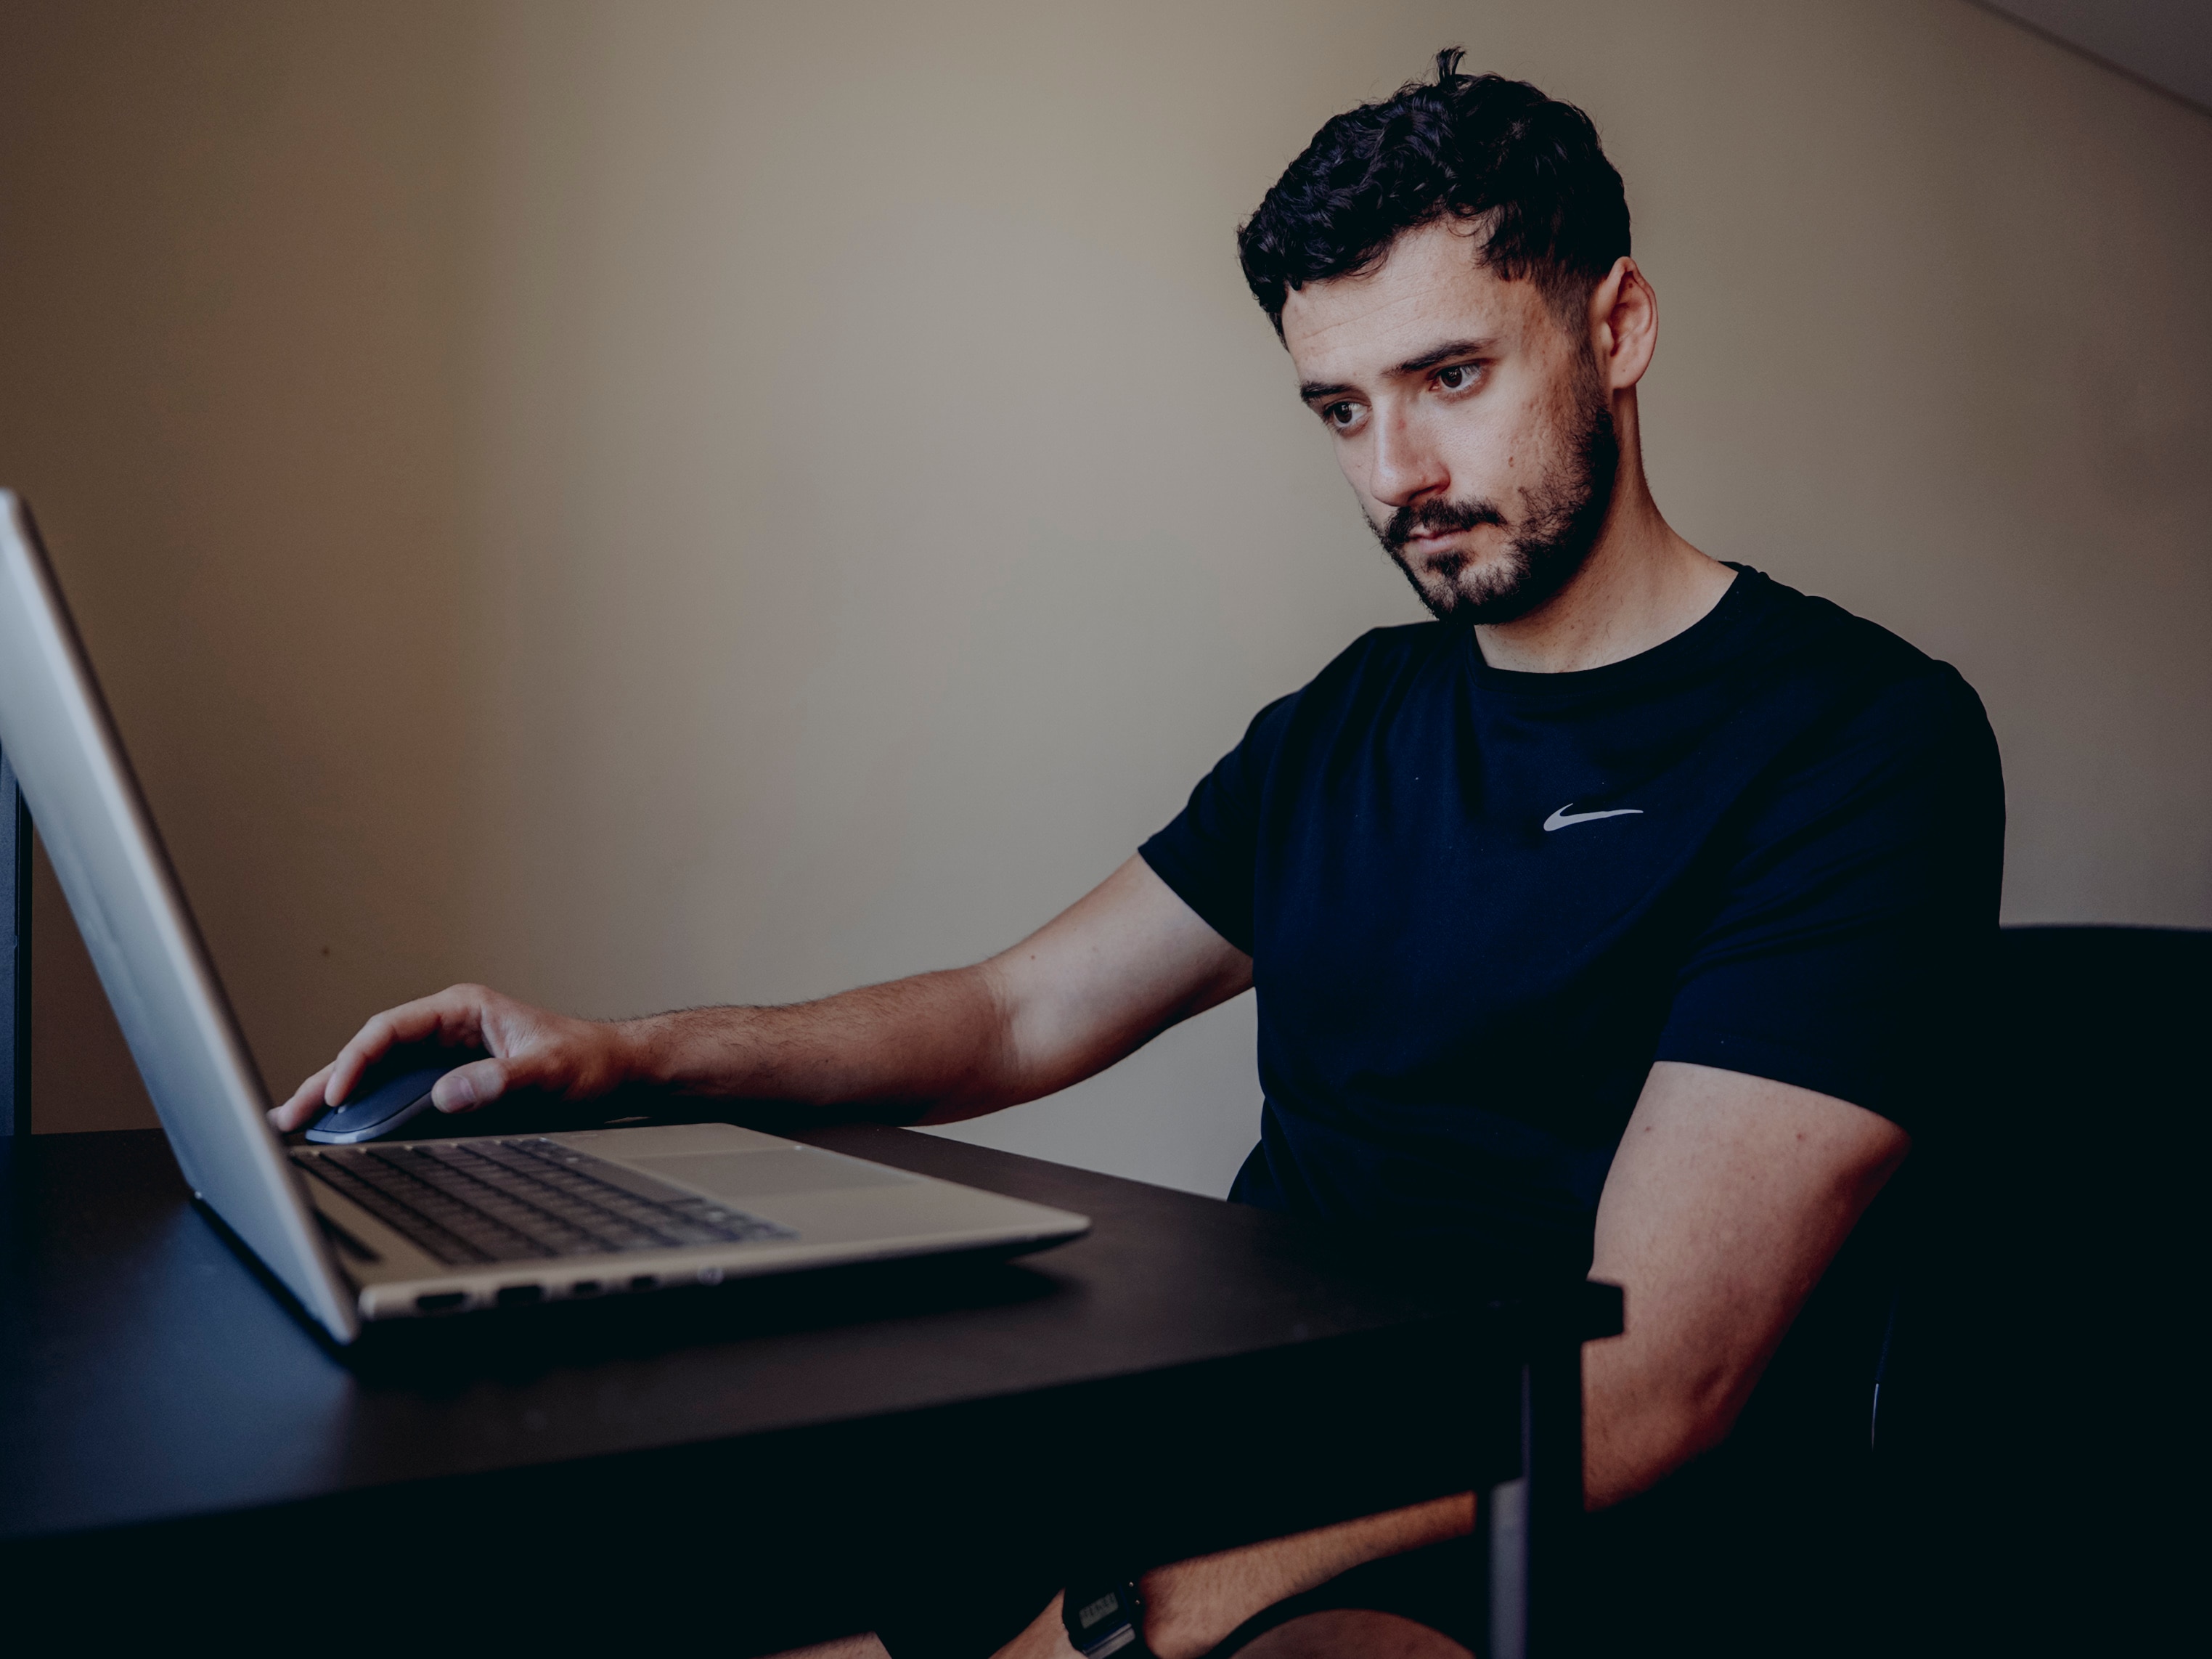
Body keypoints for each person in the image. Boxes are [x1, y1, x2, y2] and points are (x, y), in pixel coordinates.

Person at [272, 52, 2002, 1658]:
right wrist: (621, 1059)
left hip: (1535, 1535)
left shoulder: (1859, 743)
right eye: (1339, 410)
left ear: (1614, 326)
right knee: (574, 1561)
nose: (1397, 473)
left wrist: (1127, 1614)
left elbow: (1650, 1386)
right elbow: (1017, 1013)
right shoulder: (1351, 718)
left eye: (1450, 378)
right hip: (1230, 1448)